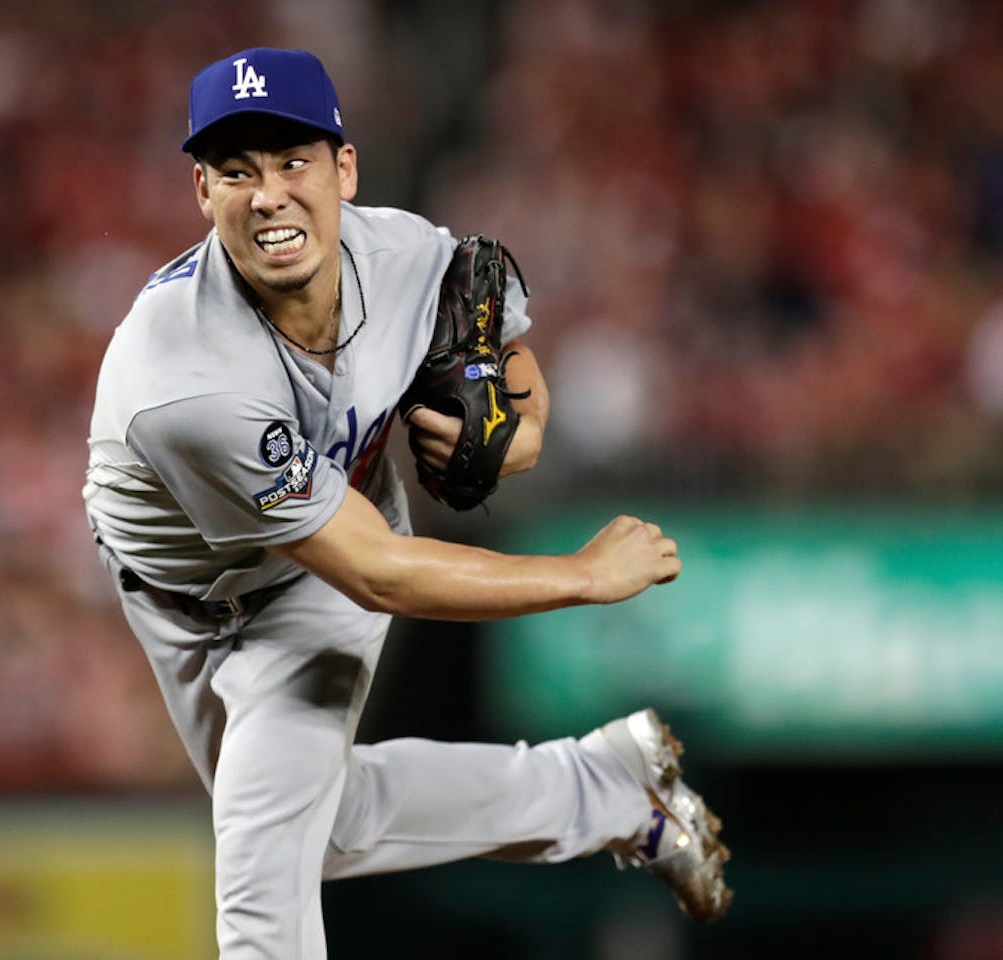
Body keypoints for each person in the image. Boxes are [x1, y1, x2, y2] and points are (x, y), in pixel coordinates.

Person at [83, 46, 731, 958]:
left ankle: (608, 792)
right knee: (327, 826)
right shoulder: (185, 377)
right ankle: (606, 789)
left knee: (262, 870)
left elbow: (512, 362)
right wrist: (579, 577)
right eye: (237, 171)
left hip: (317, 576)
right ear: (202, 191)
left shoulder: (409, 257)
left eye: (293, 161)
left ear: (344, 168)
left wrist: (514, 434)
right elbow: (382, 574)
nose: (269, 194)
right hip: (184, 597)